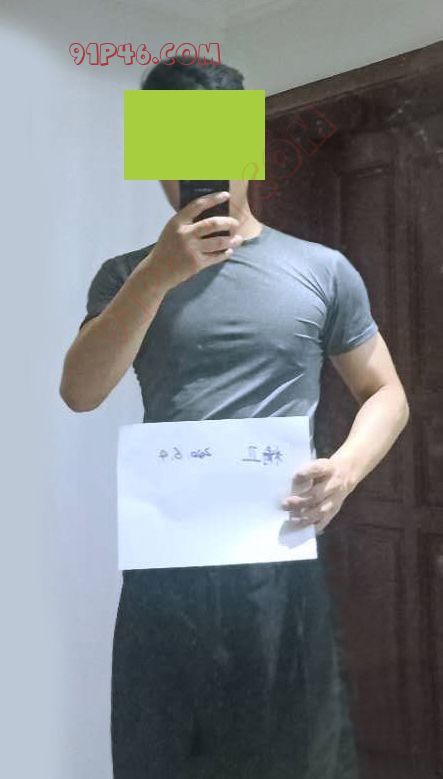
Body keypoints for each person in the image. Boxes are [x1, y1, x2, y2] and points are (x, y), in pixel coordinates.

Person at [59, 56, 410, 779]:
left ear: (247, 147)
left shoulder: (321, 269)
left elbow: (386, 393)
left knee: (292, 759)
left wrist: (345, 471)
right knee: (161, 758)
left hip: (277, 569)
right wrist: (159, 273)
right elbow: (80, 391)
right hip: (165, 575)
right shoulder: (125, 276)